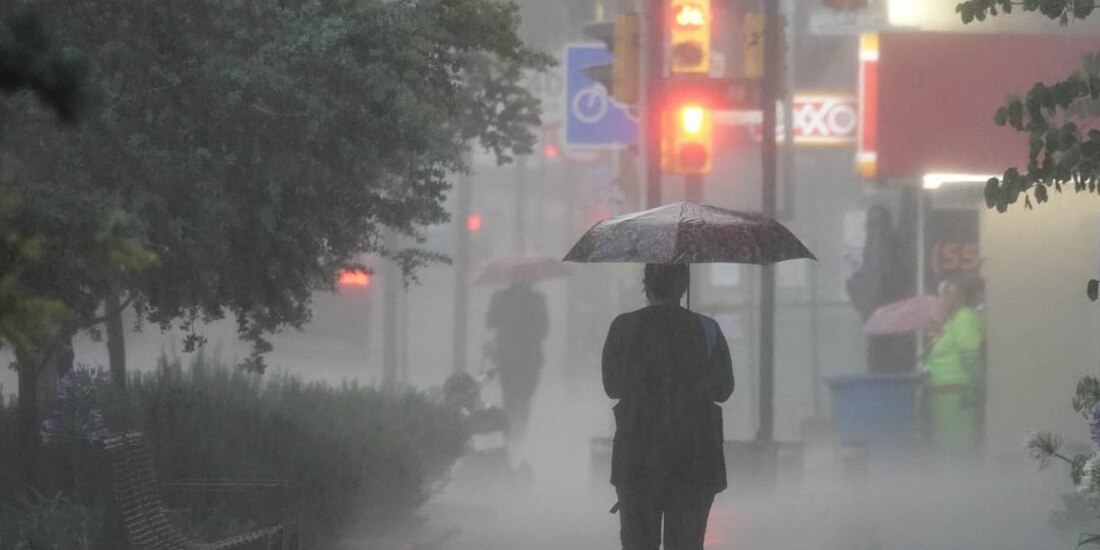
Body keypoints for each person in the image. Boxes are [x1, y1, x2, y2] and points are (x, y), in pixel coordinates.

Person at [601, 263, 734, 550]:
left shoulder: (623, 327)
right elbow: (724, 390)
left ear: (646, 286)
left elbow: (612, 387)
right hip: (695, 457)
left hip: (637, 458)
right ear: (684, 287)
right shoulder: (706, 329)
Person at [922, 274, 986, 465]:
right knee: (946, 453)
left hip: (956, 399)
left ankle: (956, 491)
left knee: (955, 454)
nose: (940, 298)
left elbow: (971, 357)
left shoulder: (965, 318)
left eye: (944, 293)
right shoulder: (953, 321)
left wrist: (975, 389)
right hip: (943, 400)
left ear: (956, 295)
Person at [485, 280, 549, 439]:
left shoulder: (536, 300)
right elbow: (490, 322)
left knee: (518, 398)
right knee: (516, 398)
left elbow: (543, 330)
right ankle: (514, 432)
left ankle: (515, 433)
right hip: (518, 357)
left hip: (521, 357)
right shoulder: (535, 300)